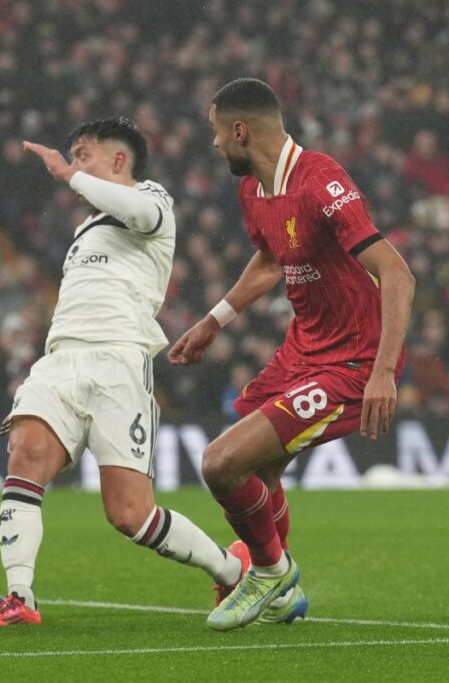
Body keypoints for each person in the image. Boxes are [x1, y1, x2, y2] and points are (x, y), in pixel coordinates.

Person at [0, 118, 244, 627]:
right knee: (25, 454)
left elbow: (135, 209)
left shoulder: (153, 202)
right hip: (60, 360)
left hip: (118, 361)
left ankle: (231, 569)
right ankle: (20, 597)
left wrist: (66, 174)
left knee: (129, 515)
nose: (75, 165)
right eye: (72, 156)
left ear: (118, 160)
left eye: (83, 154)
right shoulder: (84, 230)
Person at [168, 78, 415, 631]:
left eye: (215, 133)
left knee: (221, 463)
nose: (212, 145)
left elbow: (397, 273)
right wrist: (215, 320)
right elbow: (269, 259)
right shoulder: (253, 189)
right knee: (258, 474)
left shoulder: (321, 181)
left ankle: (268, 571)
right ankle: (277, 588)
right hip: (303, 350)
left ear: (239, 130)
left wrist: (381, 374)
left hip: (353, 362)